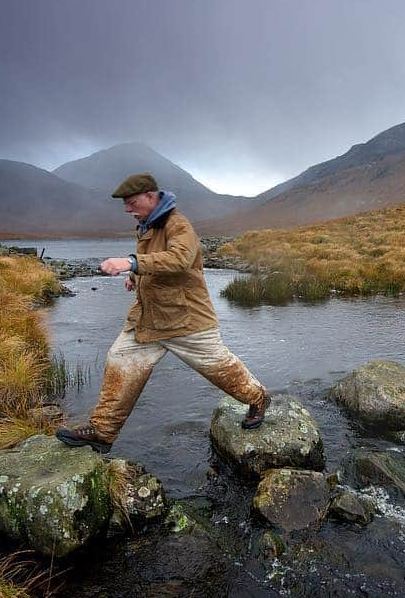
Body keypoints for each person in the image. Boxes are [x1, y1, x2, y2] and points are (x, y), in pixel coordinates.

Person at [56, 172, 270, 453]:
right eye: (125, 204)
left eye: (132, 203)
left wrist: (131, 263)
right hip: (148, 321)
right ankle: (102, 431)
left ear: (150, 196)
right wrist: (136, 276)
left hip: (186, 321)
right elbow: (156, 264)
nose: (127, 209)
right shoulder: (147, 225)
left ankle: (258, 399)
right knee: (120, 361)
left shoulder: (178, 225)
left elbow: (179, 260)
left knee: (220, 369)